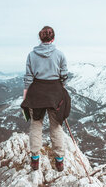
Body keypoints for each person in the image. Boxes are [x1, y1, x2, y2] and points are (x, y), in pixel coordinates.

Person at [20, 26, 71, 172]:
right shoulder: (60, 55)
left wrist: (26, 95)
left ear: (40, 38)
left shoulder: (31, 55)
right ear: (53, 38)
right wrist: (60, 88)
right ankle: (59, 161)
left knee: (36, 125)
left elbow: (28, 77)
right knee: (56, 126)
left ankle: (35, 160)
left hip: (36, 92)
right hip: (55, 92)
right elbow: (64, 75)